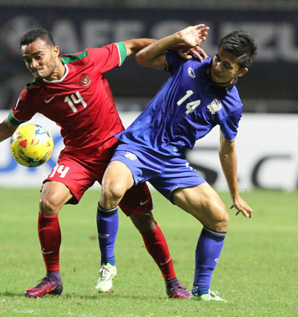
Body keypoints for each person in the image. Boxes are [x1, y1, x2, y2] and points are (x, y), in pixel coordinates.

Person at [0, 28, 194, 299]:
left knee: (143, 219)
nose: (34, 65)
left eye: (38, 57)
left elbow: (131, 45)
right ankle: (53, 278)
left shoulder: (88, 60)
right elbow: (7, 126)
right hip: (78, 156)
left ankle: (172, 282)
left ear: (55, 51)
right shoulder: (33, 94)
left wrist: (171, 50)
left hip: (117, 152)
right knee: (48, 201)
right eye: (28, 61)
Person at [99, 24, 256, 302]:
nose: (217, 65)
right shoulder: (190, 63)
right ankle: (108, 265)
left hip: (170, 162)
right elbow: (143, 58)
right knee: (111, 190)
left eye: (227, 65)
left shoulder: (231, 105)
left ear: (241, 72)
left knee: (219, 219)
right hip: (139, 146)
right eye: (218, 57)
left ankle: (202, 292)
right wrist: (177, 38)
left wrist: (235, 194)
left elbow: (227, 149)